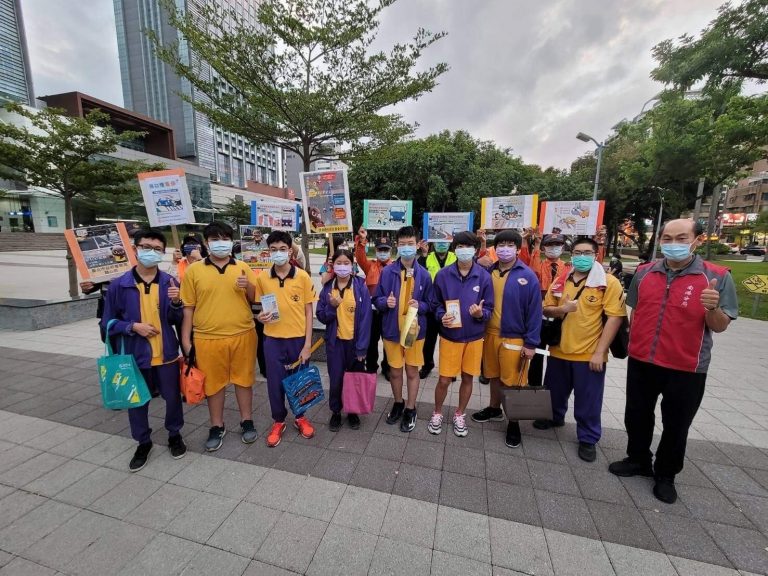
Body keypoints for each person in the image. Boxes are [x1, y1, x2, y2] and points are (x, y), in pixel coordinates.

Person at [608, 219, 738, 504]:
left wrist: (712, 307)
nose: (673, 244)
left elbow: (720, 325)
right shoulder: (644, 273)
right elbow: (635, 311)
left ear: (697, 240)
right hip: (643, 359)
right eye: (667, 238)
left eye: (681, 238)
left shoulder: (715, 276)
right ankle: (638, 458)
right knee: (637, 414)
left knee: (676, 424)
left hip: (687, 366)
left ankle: (666, 474)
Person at [535, 237, 627, 462]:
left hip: (589, 353)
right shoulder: (561, 280)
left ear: (596, 255)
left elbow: (615, 318)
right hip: (559, 350)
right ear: (571, 255)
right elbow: (546, 308)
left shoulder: (607, 282)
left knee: (588, 399)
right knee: (554, 391)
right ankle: (554, 417)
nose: (582, 257)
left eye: (587, 253)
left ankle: (588, 437)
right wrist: (562, 309)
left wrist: (599, 352)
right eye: (577, 253)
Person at [102, 229, 186, 471]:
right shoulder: (119, 286)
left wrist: (177, 302)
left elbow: (177, 319)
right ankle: (143, 441)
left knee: (172, 399)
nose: (151, 252)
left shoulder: (170, 283)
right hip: (134, 356)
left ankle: (174, 434)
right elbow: (106, 324)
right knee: (137, 400)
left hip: (166, 353)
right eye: (146, 246)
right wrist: (132, 327)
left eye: (157, 249)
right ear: (136, 248)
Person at [179, 222, 259, 452]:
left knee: (244, 381)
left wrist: (248, 287)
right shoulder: (194, 270)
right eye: (214, 239)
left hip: (243, 333)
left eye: (224, 238)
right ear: (206, 243)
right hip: (207, 338)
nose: (220, 242)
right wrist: (186, 340)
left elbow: (256, 299)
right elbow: (188, 308)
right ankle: (217, 425)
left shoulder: (243, 267)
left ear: (231, 241)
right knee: (214, 385)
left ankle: (246, 420)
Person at [471, 230, 542, 448]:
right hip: (490, 334)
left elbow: (535, 311)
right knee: (493, 375)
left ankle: (514, 423)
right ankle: (494, 409)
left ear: (518, 248)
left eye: (510, 245)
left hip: (515, 337)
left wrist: (531, 343)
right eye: (501, 244)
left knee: (514, 381)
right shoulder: (488, 271)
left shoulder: (527, 275)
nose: (505, 248)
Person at [255, 230, 318, 447]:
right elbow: (261, 308)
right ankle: (278, 420)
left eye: (283, 249)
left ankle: (300, 417)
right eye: (274, 250)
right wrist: (260, 317)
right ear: (268, 252)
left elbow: (309, 311)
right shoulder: (263, 277)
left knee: (300, 382)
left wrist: (308, 344)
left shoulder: (302, 276)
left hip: (298, 339)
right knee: (275, 383)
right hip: (272, 339)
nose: (278, 253)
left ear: (290, 251)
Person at [428, 231, 493, 437]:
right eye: (460, 247)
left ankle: (459, 414)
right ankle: (437, 412)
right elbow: (434, 303)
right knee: (445, 380)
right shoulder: (443, 275)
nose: (464, 250)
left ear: (475, 250)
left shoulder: (483, 276)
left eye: (468, 247)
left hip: (474, 337)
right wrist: (440, 316)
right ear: (454, 249)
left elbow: (490, 308)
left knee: (467, 378)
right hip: (450, 337)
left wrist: (481, 313)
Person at [373, 226, 433, 432]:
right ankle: (398, 402)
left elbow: (431, 304)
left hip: (414, 333)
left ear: (417, 245)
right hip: (391, 331)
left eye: (410, 243)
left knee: (412, 371)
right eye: (402, 244)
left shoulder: (424, 275)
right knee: (395, 371)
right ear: (397, 246)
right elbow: (376, 299)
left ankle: (411, 407)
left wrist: (421, 306)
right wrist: (385, 302)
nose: (406, 248)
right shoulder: (387, 272)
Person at [316, 248, 372, 431]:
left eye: (346, 263)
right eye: (338, 263)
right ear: (333, 266)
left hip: (355, 344)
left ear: (352, 265)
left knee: (354, 378)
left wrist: (362, 348)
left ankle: (353, 412)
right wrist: (332, 307)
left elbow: (365, 320)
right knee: (336, 379)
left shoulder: (360, 286)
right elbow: (321, 316)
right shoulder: (327, 289)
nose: (342, 267)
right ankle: (336, 411)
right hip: (335, 343)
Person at [519, 232, 570, 388]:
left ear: (563, 247)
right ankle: (534, 386)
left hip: (561, 317)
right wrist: (532, 242)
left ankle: (553, 387)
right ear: (544, 248)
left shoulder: (569, 268)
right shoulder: (538, 265)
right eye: (549, 245)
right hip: (539, 316)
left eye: (557, 245)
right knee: (536, 355)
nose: (553, 248)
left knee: (558, 356)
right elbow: (525, 259)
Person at [355, 227, 393, 377]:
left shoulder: (395, 267)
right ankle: (371, 365)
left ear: (390, 251)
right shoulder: (370, 265)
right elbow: (359, 257)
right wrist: (362, 241)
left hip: (389, 310)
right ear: (376, 250)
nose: (383, 252)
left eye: (385, 249)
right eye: (380, 249)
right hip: (371, 310)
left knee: (388, 341)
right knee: (371, 340)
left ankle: (387, 367)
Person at [418, 239, 457, 379]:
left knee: (449, 340)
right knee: (428, 340)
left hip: (450, 305)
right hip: (431, 306)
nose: (441, 244)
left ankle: (450, 369)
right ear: (433, 243)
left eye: (444, 241)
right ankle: (427, 364)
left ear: (450, 243)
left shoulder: (456, 257)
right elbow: (419, 274)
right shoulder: (427, 257)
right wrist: (423, 254)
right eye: (438, 241)